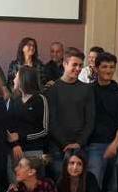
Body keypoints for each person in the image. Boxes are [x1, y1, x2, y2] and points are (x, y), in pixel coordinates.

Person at [47, 47, 95, 179]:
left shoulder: (87, 89)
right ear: (65, 64)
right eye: (74, 65)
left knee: (80, 185)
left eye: (80, 65)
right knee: (59, 183)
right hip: (58, 147)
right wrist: (65, 144)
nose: (78, 69)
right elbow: (51, 121)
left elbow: (90, 120)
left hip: (81, 146)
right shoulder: (53, 89)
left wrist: (79, 142)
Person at [86, 52, 118, 190]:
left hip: (117, 143)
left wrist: (114, 145)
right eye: (104, 67)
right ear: (97, 68)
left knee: (116, 185)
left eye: (111, 67)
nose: (108, 70)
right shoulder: (88, 90)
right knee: (94, 181)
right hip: (94, 144)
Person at [6, 66, 49, 181]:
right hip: (15, 152)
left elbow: (44, 130)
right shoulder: (12, 99)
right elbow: (7, 126)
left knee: (36, 187)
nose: (14, 79)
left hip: (34, 151)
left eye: (16, 76)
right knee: (15, 187)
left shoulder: (40, 99)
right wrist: (15, 144)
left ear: (23, 79)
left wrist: (21, 136)